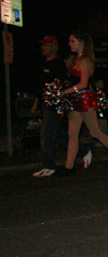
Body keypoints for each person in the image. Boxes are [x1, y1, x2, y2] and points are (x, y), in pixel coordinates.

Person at [61, 31, 108, 175]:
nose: (70, 44)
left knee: (95, 132)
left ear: (81, 42)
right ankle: (68, 167)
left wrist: (66, 91)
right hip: (77, 99)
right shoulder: (78, 59)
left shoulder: (84, 60)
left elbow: (84, 83)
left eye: (73, 41)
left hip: (84, 99)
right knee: (72, 134)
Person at [30, 35, 92, 177]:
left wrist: (61, 95)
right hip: (45, 103)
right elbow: (41, 87)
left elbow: (63, 84)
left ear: (54, 47)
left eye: (46, 45)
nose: (43, 48)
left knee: (46, 134)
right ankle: (83, 150)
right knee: (55, 134)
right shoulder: (44, 64)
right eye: (43, 45)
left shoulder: (58, 65)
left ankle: (49, 166)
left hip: (55, 104)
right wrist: (36, 102)